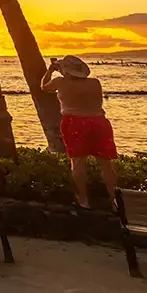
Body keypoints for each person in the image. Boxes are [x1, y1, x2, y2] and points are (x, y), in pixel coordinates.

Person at [41, 55, 117, 209]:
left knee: (78, 163)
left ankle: (83, 200)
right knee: (106, 165)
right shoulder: (95, 83)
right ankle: (114, 200)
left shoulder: (60, 82)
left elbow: (43, 87)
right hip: (99, 122)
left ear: (66, 71)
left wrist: (50, 71)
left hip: (74, 122)